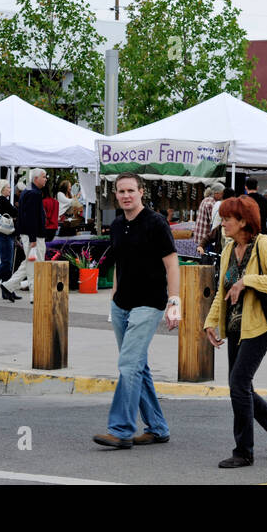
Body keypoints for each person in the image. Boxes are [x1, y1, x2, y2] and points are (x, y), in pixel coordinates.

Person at [202, 194, 267, 467]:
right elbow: (223, 290)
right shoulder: (229, 248)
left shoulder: (264, 244)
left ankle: (244, 451)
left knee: (239, 385)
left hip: (259, 326)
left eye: (228, 219)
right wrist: (211, 320)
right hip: (235, 327)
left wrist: (248, 281)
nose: (223, 224)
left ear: (244, 221)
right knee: (240, 386)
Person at [93, 172, 180, 450]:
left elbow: (172, 265)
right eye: (121, 191)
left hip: (149, 303)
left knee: (128, 365)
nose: (126, 195)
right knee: (137, 367)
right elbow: (120, 265)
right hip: (122, 305)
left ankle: (121, 430)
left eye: (131, 190)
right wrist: (113, 301)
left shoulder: (156, 223)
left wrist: (174, 302)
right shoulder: (117, 225)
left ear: (141, 192)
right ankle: (157, 428)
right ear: (116, 195)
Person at [2, 169, 48, 298]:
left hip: (29, 234)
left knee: (29, 262)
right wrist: (33, 238)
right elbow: (31, 217)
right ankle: (35, 294)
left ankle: (8, 285)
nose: (46, 179)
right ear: (36, 179)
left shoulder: (28, 191)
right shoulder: (34, 193)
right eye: (44, 177)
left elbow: (27, 216)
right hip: (33, 235)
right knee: (36, 264)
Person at [194, 182, 223, 258]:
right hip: (205, 236)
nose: (223, 196)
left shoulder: (206, 200)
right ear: (216, 193)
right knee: (207, 261)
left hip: (201, 236)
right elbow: (213, 220)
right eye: (222, 193)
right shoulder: (211, 202)